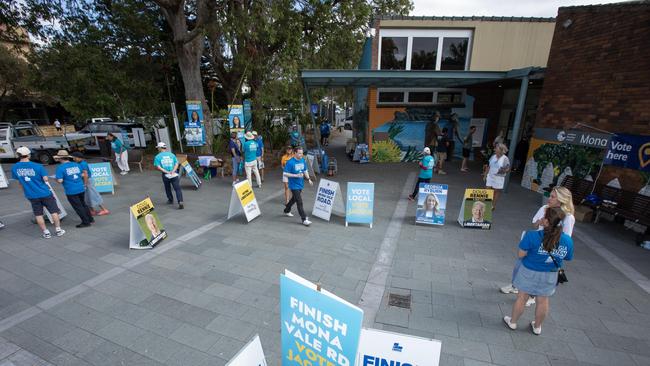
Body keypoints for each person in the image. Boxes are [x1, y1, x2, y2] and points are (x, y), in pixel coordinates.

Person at [503, 207, 574, 335]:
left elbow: (520, 254)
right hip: (550, 274)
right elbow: (568, 257)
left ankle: (513, 322)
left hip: (529, 271)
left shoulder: (532, 235)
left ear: (546, 221)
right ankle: (537, 326)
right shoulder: (567, 240)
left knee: (522, 298)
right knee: (543, 300)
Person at [501, 187, 575, 305]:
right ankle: (516, 285)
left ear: (561, 200)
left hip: (549, 247)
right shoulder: (544, 208)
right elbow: (534, 225)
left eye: (552, 197)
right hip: (536, 243)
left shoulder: (568, 216)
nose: (549, 198)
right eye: (550, 195)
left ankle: (532, 295)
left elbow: (566, 237)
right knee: (519, 264)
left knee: (539, 271)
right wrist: (539, 222)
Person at [11, 147, 65, 238]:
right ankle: (58, 230)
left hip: (31, 194)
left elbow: (19, 182)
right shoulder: (38, 166)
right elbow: (45, 179)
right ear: (28, 155)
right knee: (54, 211)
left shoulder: (15, 167)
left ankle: (46, 232)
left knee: (38, 214)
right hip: (44, 193)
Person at [55, 150, 93, 228]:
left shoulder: (60, 168)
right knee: (83, 204)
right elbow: (83, 174)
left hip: (71, 190)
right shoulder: (76, 164)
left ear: (60, 158)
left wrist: (55, 179)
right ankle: (90, 218)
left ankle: (85, 222)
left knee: (78, 207)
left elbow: (60, 180)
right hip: (80, 187)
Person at [71, 152, 110, 216]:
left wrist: (85, 184)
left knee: (93, 195)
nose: (74, 159)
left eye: (74, 158)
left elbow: (85, 174)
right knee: (88, 196)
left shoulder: (82, 164)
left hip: (87, 181)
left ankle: (104, 209)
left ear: (78, 157)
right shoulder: (80, 163)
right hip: (86, 181)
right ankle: (92, 210)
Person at [283, 147, 313, 226]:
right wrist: (295, 175)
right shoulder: (290, 162)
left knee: (294, 199)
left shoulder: (303, 160)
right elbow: (285, 173)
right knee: (299, 202)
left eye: (302, 153)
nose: (301, 155)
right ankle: (304, 219)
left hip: (300, 184)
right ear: (295, 153)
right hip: (293, 185)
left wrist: (308, 179)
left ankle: (286, 209)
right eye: (299, 153)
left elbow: (305, 170)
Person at [153, 142, 184, 209]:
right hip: (174, 174)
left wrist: (167, 172)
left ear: (160, 148)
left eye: (158, 148)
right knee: (177, 188)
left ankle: (170, 200)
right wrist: (173, 171)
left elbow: (158, 167)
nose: (157, 149)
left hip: (165, 174)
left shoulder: (157, 157)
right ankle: (180, 201)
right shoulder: (172, 155)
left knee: (167, 188)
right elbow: (176, 164)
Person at [483, 143, 510, 211]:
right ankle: (486, 204)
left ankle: (493, 205)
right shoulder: (493, 156)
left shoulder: (505, 158)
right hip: (490, 176)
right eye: (495, 148)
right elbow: (488, 166)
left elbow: (508, 169)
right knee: (487, 190)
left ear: (501, 150)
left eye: (496, 148)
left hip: (499, 177)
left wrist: (503, 171)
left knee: (496, 191)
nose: (494, 149)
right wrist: (485, 175)